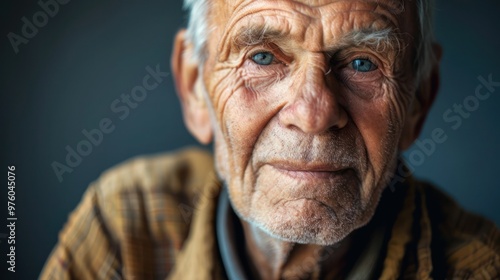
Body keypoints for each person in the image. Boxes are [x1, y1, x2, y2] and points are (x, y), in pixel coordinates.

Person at [40, 0, 500, 279]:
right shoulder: (125, 226)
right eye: (262, 56)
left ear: (418, 99)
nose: (314, 114)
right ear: (195, 87)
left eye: (362, 63)